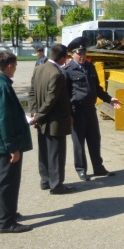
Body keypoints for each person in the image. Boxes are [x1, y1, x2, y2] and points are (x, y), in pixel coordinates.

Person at [0, 51, 34, 234]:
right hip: (6, 143)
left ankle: (2, 212)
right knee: (7, 181)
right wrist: (12, 147)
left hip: (0, 141)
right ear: (10, 66)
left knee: (1, 178)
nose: (16, 69)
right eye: (16, 66)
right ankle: (6, 221)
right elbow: (2, 119)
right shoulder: (2, 86)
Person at [63, 37, 123, 181]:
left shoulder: (90, 67)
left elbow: (97, 88)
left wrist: (109, 99)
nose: (83, 57)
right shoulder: (68, 71)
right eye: (79, 54)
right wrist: (69, 114)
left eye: (84, 53)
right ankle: (81, 169)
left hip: (90, 110)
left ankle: (98, 167)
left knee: (94, 139)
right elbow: (64, 96)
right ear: (72, 54)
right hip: (77, 111)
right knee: (79, 142)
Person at [28, 44, 76, 195]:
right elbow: (51, 99)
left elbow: (31, 93)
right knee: (56, 153)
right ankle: (56, 185)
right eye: (66, 58)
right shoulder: (57, 73)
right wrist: (40, 115)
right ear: (62, 58)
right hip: (54, 121)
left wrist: (35, 113)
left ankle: (46, 180)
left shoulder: (38, 69)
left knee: (43, 151)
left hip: (41, 119)